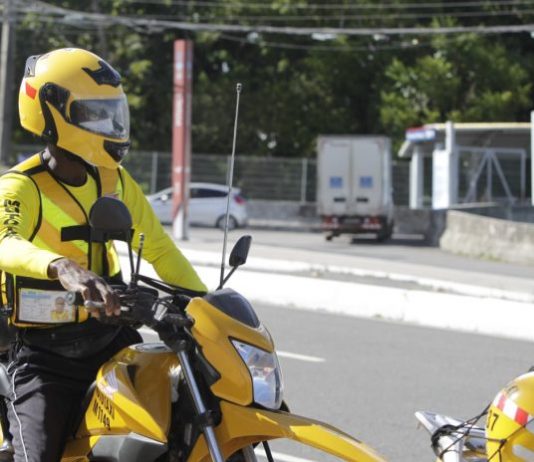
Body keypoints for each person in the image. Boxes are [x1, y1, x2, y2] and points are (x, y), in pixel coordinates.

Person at [0, 48, 207, 462]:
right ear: (55, 115)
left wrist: (206, 307)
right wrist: (62, 268)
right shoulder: (22, 186)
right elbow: (4, 242)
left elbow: (160, 248)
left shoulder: (113, 180)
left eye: (112, 112)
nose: (110, 125)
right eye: (96, 114)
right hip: (44, 355)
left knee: (185, 416)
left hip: (112, 339)